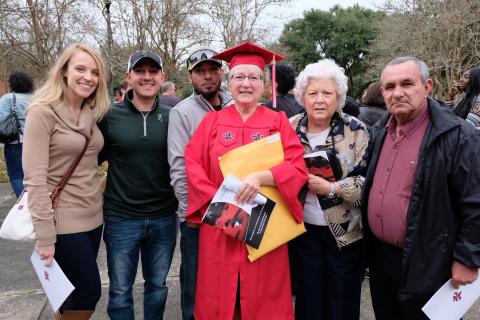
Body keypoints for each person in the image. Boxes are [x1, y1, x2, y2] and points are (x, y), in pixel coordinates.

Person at [184, 41, 308, 320]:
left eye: (254, 77)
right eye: (239, 77)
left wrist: (264, 176)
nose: (246, 84)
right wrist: (222, 203)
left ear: (264, 83)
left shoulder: (277, 122)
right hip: (222, 224)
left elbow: (297, 168)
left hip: (264, 228)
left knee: (264, 298)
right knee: (220, 296)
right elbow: (193, 166)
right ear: (229, 81)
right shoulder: (212, 122)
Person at [363, 56, 480, 320]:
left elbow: (475, 201)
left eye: (407, 83)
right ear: (382, 93)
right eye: (390, 87)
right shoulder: (380, 131)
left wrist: (467, 258)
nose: (398, 92)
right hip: (382, 261)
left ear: (427, 87)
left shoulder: (457, 135)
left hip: (431, 262)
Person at [22, 43, 110, 319]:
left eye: (95, 72)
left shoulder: (90, 113)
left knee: (69, 296)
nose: (88, 77)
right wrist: (45, 235)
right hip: (62, 220)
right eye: (80, 69)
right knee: (88, 293)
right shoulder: (42, 113)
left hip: (93, 218)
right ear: (63, 72)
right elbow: (34, 180)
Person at [99, 50, 178, 320]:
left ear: (162, 77)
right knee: (120, 290)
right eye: (140, 71)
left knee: (157, 286)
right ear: (128, 77)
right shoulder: (109, 116)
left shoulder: (173, 115)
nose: (147, 77)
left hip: (164, 217)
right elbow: (90, 160)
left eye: (153, 71)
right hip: (122, 217)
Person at [289, 59, 369, 320]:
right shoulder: (289, 128)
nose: (319, 100)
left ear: (339, 97)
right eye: (313, 93)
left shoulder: (356, 130)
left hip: (346, 236)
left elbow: (368, 184)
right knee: (308, 301)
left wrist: (332, 187)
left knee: (341, 304)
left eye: (327, 93)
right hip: (303, 232)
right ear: (302, 96)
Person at [167, 48, 231, 320]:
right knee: (194, 277)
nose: (208, 77)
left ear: (221, 72)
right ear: (190, 76)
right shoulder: (183, 112)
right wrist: (189, 210)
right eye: (200, 72)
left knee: (227, 278)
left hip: (234, 209)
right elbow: (179, 166)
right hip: (199, 214)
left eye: (212, 70)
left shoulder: (234, 104)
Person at [0, 71, 34, 197]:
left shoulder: (8, 98)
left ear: (12, 84)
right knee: (33, 174)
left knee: (16, 175)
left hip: (15, 142)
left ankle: (25, 204)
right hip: (36, 142)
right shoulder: (35, 98)